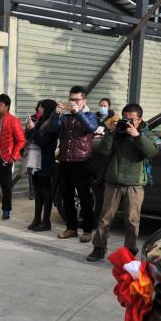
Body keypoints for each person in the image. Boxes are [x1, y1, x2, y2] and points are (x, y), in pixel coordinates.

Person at [87, 103, 159, 262]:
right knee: (105, 218)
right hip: (114, 181)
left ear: (139, 120)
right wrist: (111, 133)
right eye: (125, 118)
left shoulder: (147, 134)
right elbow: (103, 151)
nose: (127, 122)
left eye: (131, 119)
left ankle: (129, 251)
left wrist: (137, 136)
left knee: (132, 221)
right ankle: (98, 247)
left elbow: (151, 152)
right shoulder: (117, 133)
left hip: (134, 184)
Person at [56, 86, 99, 241]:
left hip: (82, 161)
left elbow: (91, 128)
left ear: (84, 101)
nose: (73, 102)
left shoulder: (91, 115)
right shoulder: (65, 116)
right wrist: (56, 114)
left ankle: (87, 230)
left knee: (84, 196)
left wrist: (79, 113)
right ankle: (71, 228)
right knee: (66, 196)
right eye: (71, 99)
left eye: (76, 99)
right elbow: (53, 130)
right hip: (65, 160)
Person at [23, 99, 60, 232]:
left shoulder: (52, 125)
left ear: (48, 109)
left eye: (42, 107)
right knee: (38, 192)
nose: (38, 109)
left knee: (45, 193)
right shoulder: (42, 121)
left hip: (45, 162)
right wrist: (29, 128)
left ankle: (46, 222)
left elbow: (42, 142)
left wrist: (33, 130)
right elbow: (32, 137)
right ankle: (37, 218)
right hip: (36, 162)